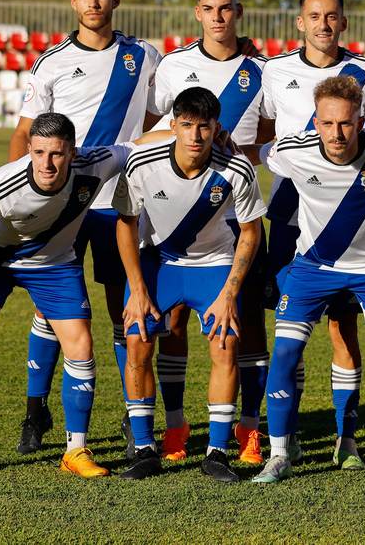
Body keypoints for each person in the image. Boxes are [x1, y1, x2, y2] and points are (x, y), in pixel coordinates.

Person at [8, 0, 163, 455]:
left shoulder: (144, 56)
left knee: (124, 308)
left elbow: (158, 121)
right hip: (62, 206)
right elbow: (24, 133)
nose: (93, 3)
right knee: (48, 308)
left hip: (121, 204)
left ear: (115, 0)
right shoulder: (50, 62)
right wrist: (22, 198)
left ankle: (130, 409)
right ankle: (35, 414)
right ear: (73, 3)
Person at [245, 76, 365, 490]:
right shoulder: (292, 151)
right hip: (314, 267)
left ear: (361, 120)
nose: (336, 133)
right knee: (286, 354)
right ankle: (278, 455)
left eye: (345, 123)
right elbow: (252, 152)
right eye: (326, 124)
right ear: (315, 120)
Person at [0, 112, 140, 479]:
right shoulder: (3, 185)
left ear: (72, 152)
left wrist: (183, 133)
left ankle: (75, 450)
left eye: (57, 154)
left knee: (81, 346)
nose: (47, 163)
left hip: (55, 266)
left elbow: (134, 146)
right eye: (39, 152)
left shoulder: (94, 164)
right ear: (29, 149)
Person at [257, 0, 365, 467]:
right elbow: (267, 135)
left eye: (332, 16)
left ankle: (347, 438)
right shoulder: (274, 71)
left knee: (344, 329)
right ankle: (285, 438)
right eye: (314, 16)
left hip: (351, 214)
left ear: (344, 22)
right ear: (300, 22)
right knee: (290, 328)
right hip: (292, 211)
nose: (323, 24)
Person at [113, 87, 266, 481]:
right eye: (186, 126)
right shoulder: (142, 163)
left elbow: (250, 232)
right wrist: (138, 289)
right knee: (137, 340)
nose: (195, 136)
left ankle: (216, 452)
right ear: (174, 125)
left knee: (225, 343)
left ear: (216, 128)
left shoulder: (236, 168)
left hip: (213, 262)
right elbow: (125, 224)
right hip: (156, 262)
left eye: (204, 127)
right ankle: (145, 449)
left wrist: (229, 295)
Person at [150, 0, 270, 464]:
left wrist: (240, 153)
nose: (219, 16)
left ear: (238, 11)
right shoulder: (175, 65)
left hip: (234, 212)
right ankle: (176, 429)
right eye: (209, 8)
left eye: (227, 7)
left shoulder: (264, 70)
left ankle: (248, 428)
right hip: (178, 215)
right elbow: (158, 125)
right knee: (172, 322)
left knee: (245, 324)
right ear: (197, 12)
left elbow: (272, 134)